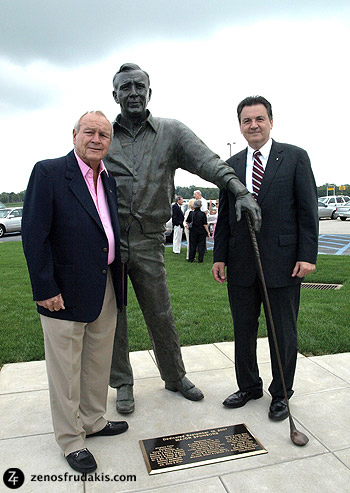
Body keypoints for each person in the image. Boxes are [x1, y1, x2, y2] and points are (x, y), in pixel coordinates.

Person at [104, 63, 261, 415]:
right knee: (115, 316)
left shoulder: (170, 132)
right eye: (125, 87)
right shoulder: (103, 133)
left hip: (148, 242)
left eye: (139, 86)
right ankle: (123, 383)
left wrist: (238, 190)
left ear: (149, 92)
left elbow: (209, 162)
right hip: (110, 243)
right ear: (114, 95)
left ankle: (174, 376)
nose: (133, 92)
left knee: (160, 312)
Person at [22, 111, 128, 474]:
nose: (97, 139)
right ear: (74, 135)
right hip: (62, 293)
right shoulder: (49, 173)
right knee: (66, 371)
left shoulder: (108, 179)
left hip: (104, 287)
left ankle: (94, 421)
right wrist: (45, 288)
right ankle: (71, 440)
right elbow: (34, 235)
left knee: (97, 363)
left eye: (103, 134)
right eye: (90, 132)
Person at [212, 96, 318, 421]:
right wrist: (219, 257)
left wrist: (307, 255)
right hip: (241, 263)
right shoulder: (229, 165)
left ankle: (281, 393)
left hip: (284, 263)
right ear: (240, 126)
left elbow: (307, 210)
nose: (253, 125)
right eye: (247, 120)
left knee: (282, 332)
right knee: (243, 329)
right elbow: (226, 216)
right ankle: (248, 386)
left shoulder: (295, 157)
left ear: (271, 121)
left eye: (259, 119)